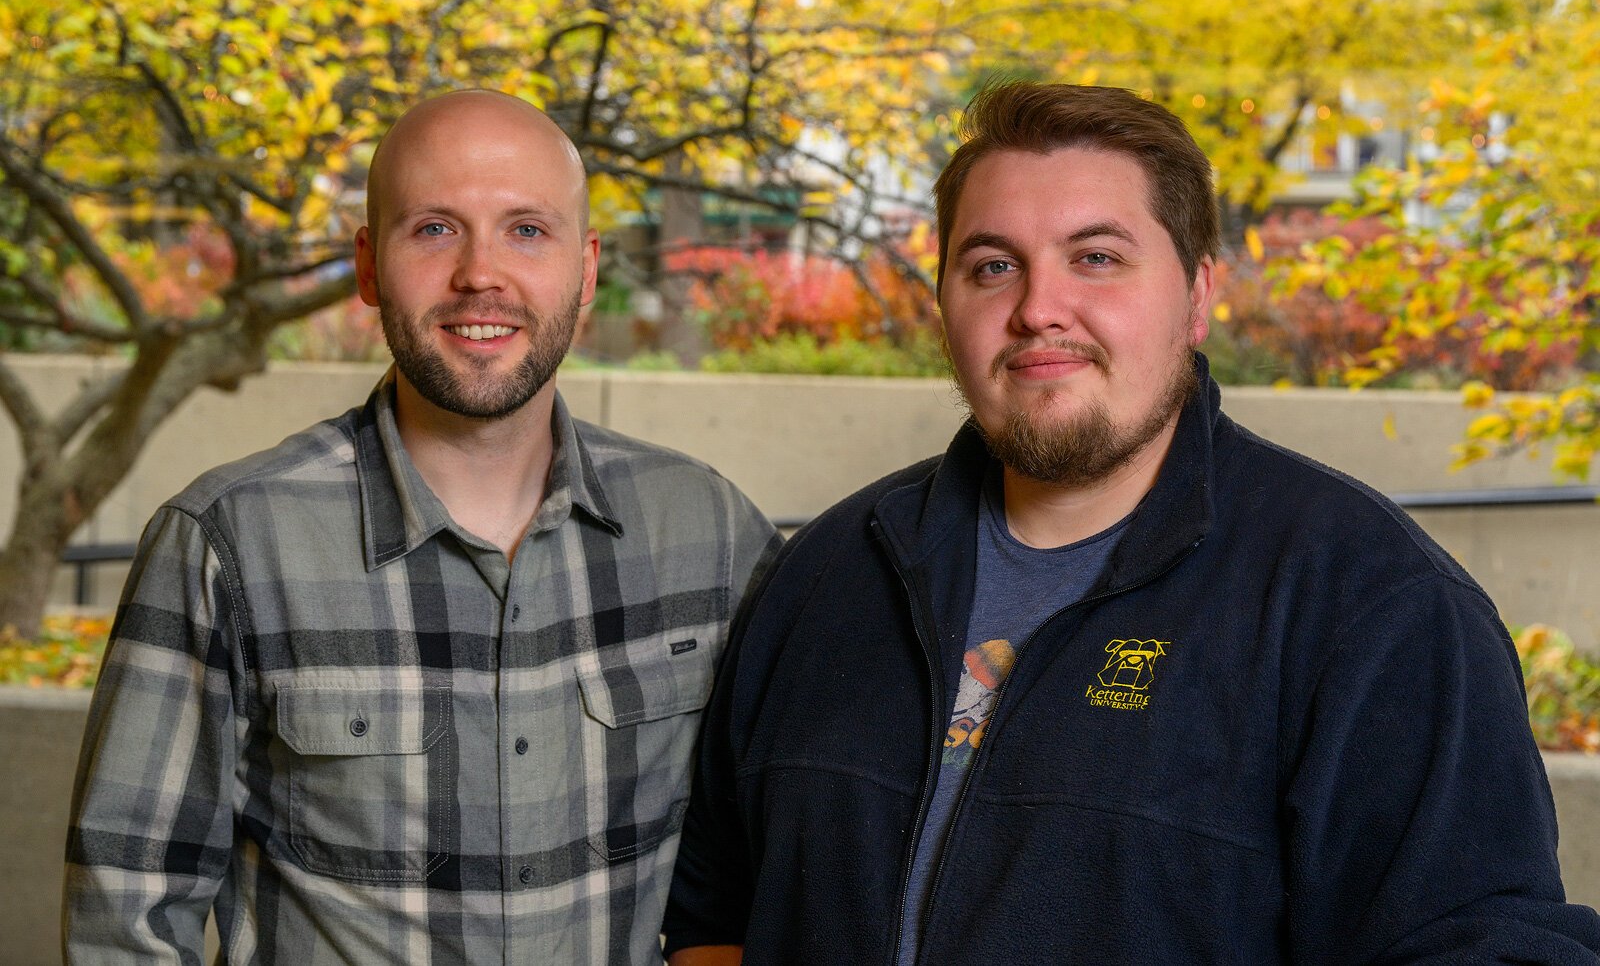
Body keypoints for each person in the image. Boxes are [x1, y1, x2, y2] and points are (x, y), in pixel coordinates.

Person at [663, 82, 1600, 964]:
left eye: (1097, 258)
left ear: (1196, 297)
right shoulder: (827, 571)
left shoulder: (1372, 607)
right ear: (944, 306)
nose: (1038, 309)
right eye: (992, 266)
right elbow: (717, 906)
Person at [64, 90, 779, 964]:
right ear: (369, 266)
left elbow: (773, 866)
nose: (481, 273)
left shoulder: (712, 536)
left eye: (527, 230)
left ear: (587, 269)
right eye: (434, 228)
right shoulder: (226, 546)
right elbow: (126, 923)